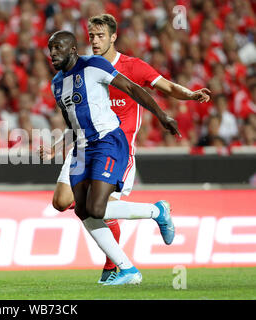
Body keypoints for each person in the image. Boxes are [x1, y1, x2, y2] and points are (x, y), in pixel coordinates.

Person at [44, 14, 212, 284]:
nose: (95, 40)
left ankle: (117, 266)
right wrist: (58, 144)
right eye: (92, 36)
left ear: (113, 37)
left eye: (100, 36)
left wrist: (185, 98)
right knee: (69, 204)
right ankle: (126, 264)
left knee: (99, 207)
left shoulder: (122, 66)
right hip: (82, 145)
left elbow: (163, 87)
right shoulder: (64, 79)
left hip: (113, 142)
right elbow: (73, 119)